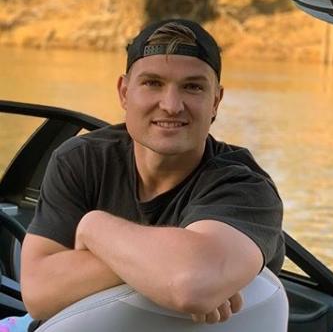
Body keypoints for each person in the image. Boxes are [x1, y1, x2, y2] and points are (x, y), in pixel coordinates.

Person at [20, 19, 285, 327]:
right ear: (124, 92)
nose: (171, 105)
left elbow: (191, 284)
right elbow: (38, 295)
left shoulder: (244, 185)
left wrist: (95, 228)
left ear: (215, 101)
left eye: (193, 87)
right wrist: (165, 268)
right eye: (153, 83)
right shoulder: (82, 159)